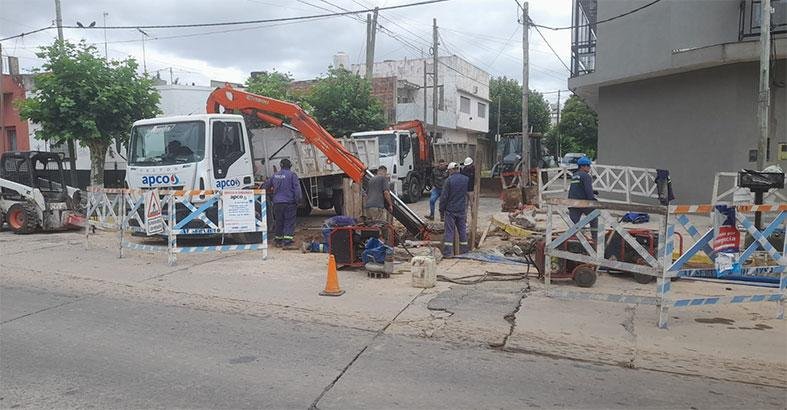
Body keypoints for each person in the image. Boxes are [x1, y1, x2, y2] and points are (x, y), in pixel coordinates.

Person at [263, 158, 302, 248]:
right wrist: (298, 200)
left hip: (277, 203)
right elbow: (297, 189)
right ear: (290, 166)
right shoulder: (292, 175)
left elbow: (266, 186)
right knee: (289, 221)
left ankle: (278, 240)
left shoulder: (275, 175)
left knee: (279, 221)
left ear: (280, 166)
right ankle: (287, 241)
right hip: (289, 203)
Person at [440, 162, 470, 257]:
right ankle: (464, 252)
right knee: (462, 231)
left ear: (451, 170)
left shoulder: (449, 181)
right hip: (461, 210)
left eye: (449, 171)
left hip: (450, 211)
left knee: (449, 232)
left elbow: (444, 197)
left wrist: (441, 210)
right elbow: (467, 194)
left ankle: (448, 253)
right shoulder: (466, 179)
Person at [567, 156, 597, 234]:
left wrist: (593, 191)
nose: (589, 168)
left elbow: (577, 188)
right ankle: (596, 240)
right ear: (583, 166)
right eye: (588, 166)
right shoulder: (586, 176)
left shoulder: (575, 175)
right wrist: (593, 200)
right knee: (594, 217)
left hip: (571, 203)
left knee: (574, 227)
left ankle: (575, 242)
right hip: (582, 203)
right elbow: (588, 190)